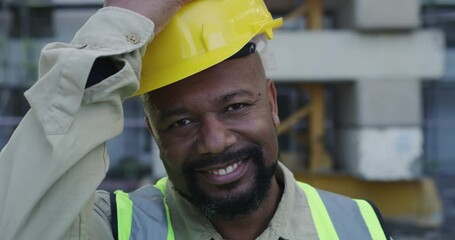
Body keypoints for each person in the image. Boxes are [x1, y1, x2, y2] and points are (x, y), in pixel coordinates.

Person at [0, 0, 391, 239]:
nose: (216, 141)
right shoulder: (116, 229)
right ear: (154, 132)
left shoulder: (359, 225)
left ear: (271, 103)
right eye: (181, 122)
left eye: (235, 106)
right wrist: (119, 32)